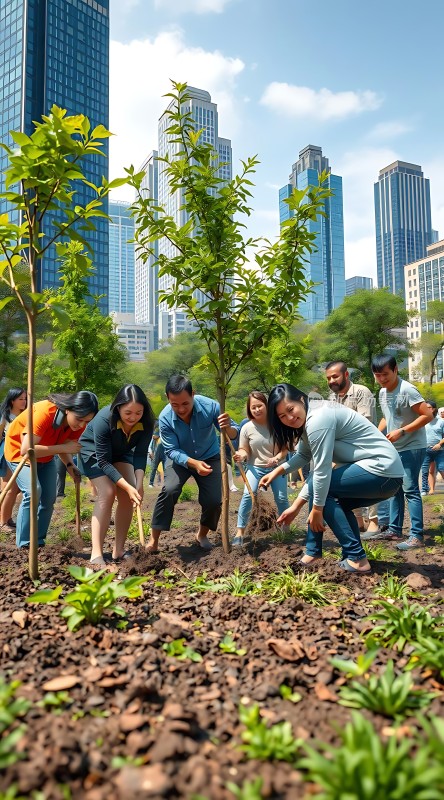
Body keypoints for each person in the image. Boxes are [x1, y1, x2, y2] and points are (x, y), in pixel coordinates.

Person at [259, 384, 404, 573]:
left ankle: (355, 558)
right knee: (336, 501)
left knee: (323, 493)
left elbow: (321, 470)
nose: (289, 418)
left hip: (381, 469)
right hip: (386, 475)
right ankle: (333, 554)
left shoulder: (319, 418)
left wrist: (316, 508)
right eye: (282, 417)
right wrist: (277, 471)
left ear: (301, 400)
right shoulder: (310, 418)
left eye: (290, 409)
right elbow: (304, 456)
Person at [147, 375, 238, 553]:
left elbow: (233, 435)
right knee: (170, 489)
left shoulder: (211, 406)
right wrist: (193, 463)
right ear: (168, 398)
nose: (181, 409)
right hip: (178, 459)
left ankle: (202, 535)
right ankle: (153, 540)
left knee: (213, 500)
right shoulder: (165, 417)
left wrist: (227, 427)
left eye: (185, 403)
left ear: (193, 395)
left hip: (210, 456)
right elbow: (171, 450)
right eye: (175, 404)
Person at [5, 392, 98, 548]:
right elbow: (27, 450)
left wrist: (70, 466)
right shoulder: (45, 412)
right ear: (68, 409)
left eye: (87, 421)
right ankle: (24, 545)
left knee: (49, 498)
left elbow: (64, 444)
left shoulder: (78, 424)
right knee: (33, 491)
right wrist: (63, 448)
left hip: (45, 457)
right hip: (19, 455)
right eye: (79, 419)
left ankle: (38, 542)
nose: (82, 425)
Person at [78, 385, 154, 566]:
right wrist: (128, 486)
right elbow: (104, 461)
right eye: (128, 413)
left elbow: (140, 454)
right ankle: (96, 553)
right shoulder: (104, 419)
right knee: (108, 492)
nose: (133, 418)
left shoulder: (148, 422)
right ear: (118, 407)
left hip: (122, 453)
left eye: (138, 413)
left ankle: (118, 550)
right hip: (95, 454)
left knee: (128, 497)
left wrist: (138, 484)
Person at [363, 355, 433, 550]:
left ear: (395, 370)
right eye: (377, 375)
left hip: (412, 446)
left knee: (411, 490)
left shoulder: (407, 390)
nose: (382, 379)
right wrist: (377, 434)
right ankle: (394, 530)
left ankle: (416, 535)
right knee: (395, 489)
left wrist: (403, 431)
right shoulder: (383, 392)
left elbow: (427, 414)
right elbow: (388, 417)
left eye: (385, 374)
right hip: (394, 447)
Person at [325, 360, 376, 532]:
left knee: (370, 483)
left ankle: (374, 522)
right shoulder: (331, 398)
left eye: (335, 376)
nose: (331, 381)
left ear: (346, 375)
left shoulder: (361, 392)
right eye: (328, 378)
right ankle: (359, 521)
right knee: (348, 486)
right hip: (343, 449)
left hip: (365, 446)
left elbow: (364, 422)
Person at [233, 391, 289, 546]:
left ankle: (286, 527)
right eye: (253, 407)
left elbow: (286, 448)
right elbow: (244, 449)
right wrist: (241, 455)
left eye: (259, 406)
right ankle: (240, 531)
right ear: (249, 409)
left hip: (277, 468)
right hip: (255, 468)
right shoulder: (246, 427)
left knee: (282, 498)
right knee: (247, 496)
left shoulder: (278, 424)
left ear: (267, 405)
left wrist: (277, 458)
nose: (257, 410)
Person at [0, 388, 27, 531]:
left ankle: (8, 518)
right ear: (12, 400)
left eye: (25, 399)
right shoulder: (5, 415)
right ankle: (2, 522)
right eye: (21, 399)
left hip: (22, 453)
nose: (24, 402)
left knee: (15, 488)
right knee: (8, 489)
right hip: (7, 452)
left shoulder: (26, 415)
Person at [420, 400, 444, 496]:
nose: (427, 409)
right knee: (426, 471)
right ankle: (427, 489)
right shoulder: (422, 420)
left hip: (439, 450)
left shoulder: (441, 421)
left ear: (434, 409)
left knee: (442, 469)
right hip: (426, 449)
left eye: (429, 407)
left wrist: (439, 444)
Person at [148, 422, 165, 488]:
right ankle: (150, 483)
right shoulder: (158, 430)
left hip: (165, 452)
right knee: (154, 468)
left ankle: (165, 483)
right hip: (157, 452)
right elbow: (154, 436)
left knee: (165, 468)